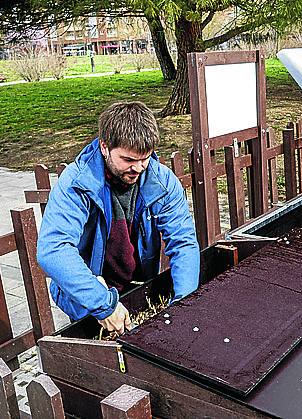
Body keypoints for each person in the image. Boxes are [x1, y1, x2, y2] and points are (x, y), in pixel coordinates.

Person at [37, 101, 199, 335]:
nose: (139, 168)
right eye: (128, 160)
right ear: (104, 147)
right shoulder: (77, 184)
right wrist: (103, 303)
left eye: (145, 158)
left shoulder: (162, 182)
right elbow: (53, 249)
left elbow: (183, 242)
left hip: (136, 289)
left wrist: (183, 304)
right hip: (88, 294)